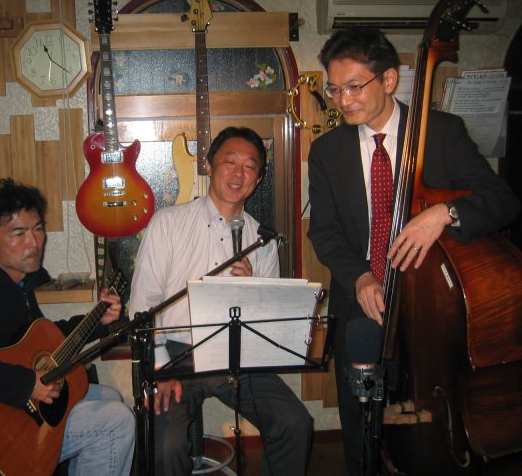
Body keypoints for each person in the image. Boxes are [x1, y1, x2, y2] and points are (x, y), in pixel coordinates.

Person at [307, 28, 520, 475]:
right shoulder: (326, 151)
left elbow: (503, 201)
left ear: (388, 80)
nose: (343, 101)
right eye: (335, 89)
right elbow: (324, 232)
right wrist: (360, 276)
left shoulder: (441, 132)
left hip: (435, 309)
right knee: (360, 428)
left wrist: (445, 212)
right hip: (360, 304)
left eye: (353, 86)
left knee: (434, 429)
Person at [129, 126, 314, 476]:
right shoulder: (168, 223)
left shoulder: (263, 241)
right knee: (166, 445)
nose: (238, 174)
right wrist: (160, 367)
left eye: (250, 167)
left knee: (295, 422)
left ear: (258, 179)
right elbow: (142, 304)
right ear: (209, 165)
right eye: (230, 162)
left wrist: (253, 290)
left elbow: (268, 326)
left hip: (237, 357)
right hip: (176, 355)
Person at [0, 178, 135, 475]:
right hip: (3, 433)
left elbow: (40, 339)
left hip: (23, 413)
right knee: (116, 422)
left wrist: (99, 322)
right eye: (18, 233)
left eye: (38, 229)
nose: (34, 242)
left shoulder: (18, 284)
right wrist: (27, 384)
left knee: (111, 398)